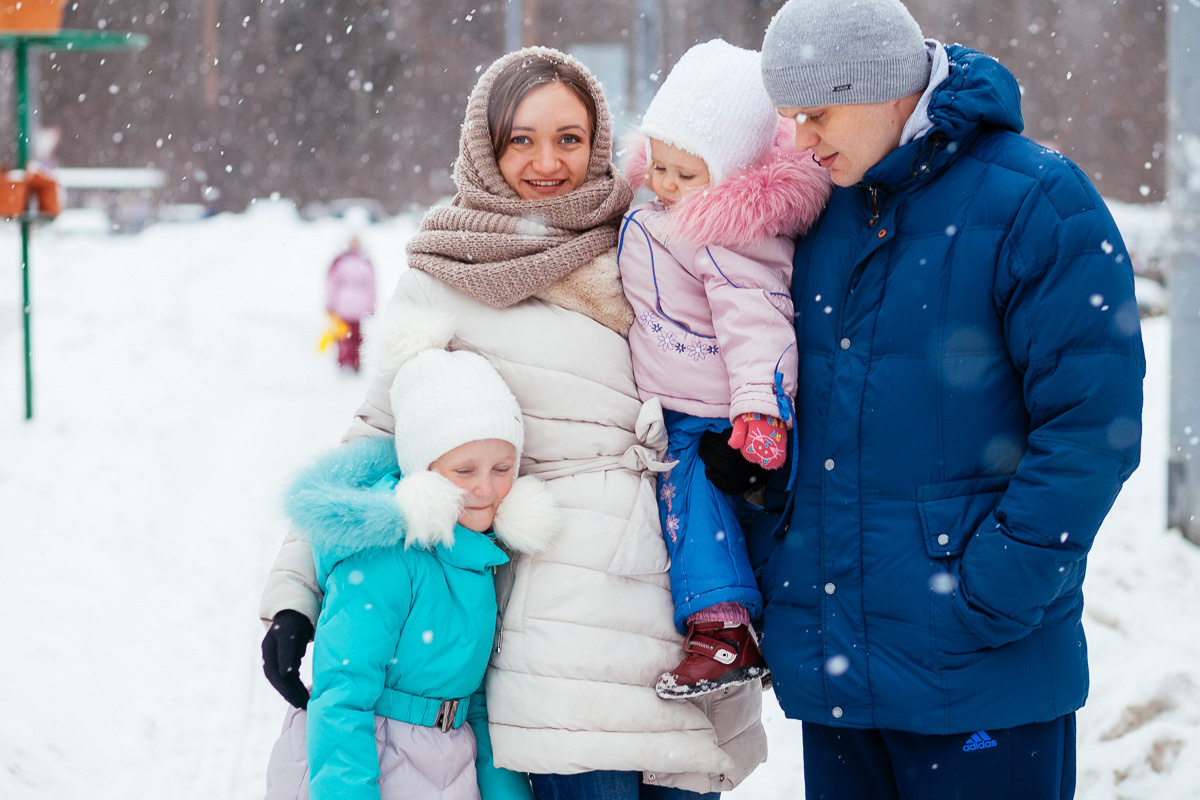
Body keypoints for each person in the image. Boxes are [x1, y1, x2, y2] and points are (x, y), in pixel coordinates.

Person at [259, 46, 767, 800]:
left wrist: (752, 464)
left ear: (599, 142)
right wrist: (294, 596)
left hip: (689, 599)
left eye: (569, 138)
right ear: (485, 145)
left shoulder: (652, 234)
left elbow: (749, 346)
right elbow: (374, 439)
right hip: (558, 627)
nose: (547, 162)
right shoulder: (449, 270)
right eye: (520, 139)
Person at [700, 1, 1144, 798]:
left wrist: (993, 593)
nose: (802, 139)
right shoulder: (816, 207)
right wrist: (769, 506)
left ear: (880, 85)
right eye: (790, 118)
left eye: (817, 113)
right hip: (839, 670)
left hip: (980, 671)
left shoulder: (1035, 200)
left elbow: (1090, 428)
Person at [615, 38, 830, 700]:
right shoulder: (669, 212)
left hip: (711, 407)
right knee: (696, 504)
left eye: (685, 174)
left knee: (692, 500)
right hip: (681, 396)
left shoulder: (725, 231)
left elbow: (757, 319)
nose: (664, 184)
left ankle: (723, 627)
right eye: (659, 165)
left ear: (731, 173)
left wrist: (761, 408)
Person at [263, 335, 558, 800]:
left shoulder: (482, 559)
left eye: (502, 468)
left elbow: (476, 703)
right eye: (465, 471)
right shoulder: (387, 558)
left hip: (448, 765)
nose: (486, 489)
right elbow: (342, 694)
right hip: (369, 761)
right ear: (424, 470)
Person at [323, 236, 377, 372]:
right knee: (345, 334)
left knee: (354, 335)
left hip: (355, 305)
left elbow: (371, 286)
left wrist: (372, 304)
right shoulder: (342, 262)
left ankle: (353, 361)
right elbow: (332, 284)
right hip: (344, 305)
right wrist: (330, 303)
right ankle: (345, 360)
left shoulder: (362, 263)